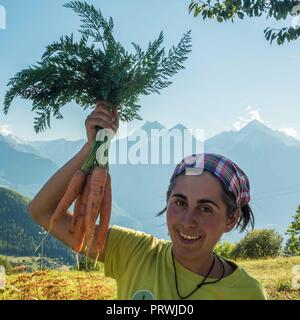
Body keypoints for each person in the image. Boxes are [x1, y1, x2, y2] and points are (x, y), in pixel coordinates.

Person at [28, 102, 268, 300]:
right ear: (167, 200)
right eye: (180, 202)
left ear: (231, 219)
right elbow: (42, 211)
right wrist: (91, 148)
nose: (187, 221)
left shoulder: (247, 294)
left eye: (205, 208)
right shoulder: (134, 252)